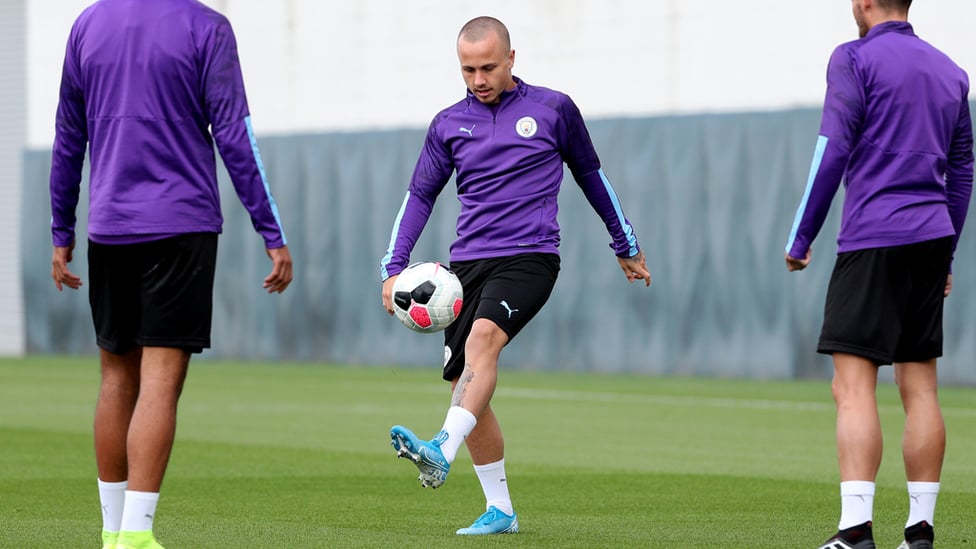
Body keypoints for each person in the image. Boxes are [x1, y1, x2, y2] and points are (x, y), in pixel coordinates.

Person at [379, 15, 650, 536]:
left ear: (510, 59)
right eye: (467, 70)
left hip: (531, 257)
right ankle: (500, 509)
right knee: (465, 383)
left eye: (487, 67)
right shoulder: (446, 125)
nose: (478, 79)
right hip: (465, 268)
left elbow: (592, 177)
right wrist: (393, 269)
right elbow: (419, 197)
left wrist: (626, 242)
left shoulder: (553, 109)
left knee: (484, 342)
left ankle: (440, 448)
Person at [49, 1, 293, 548]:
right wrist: (270, 230)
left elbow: (69, 135)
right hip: (180, 226)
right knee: (160, 380)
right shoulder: (207, 27)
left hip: (108, 227)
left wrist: (61, 229)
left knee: (115, 378)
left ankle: (112, 533)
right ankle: (136, 537)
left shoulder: (87, 24)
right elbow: (235, 135)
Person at [784, 1, 973, 547]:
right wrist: (948, 255)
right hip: (932, 237)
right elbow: (961, 173)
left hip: (874, 236)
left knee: (853, 385)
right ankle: (919, 532)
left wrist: (802, 236)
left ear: (864, 3)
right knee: (921, 387)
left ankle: (856, 530)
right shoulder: (950, 70)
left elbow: (832, 148)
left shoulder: (853, 58)